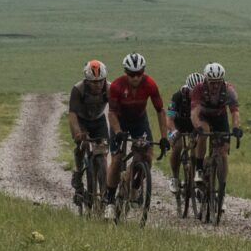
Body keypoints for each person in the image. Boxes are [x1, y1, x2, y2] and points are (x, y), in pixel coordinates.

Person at [103, 52, 168, 205]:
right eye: (132, 74)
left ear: (143, 72)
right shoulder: (117, 86)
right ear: (126, 73)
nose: (135, 78)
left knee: (147, 155)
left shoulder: (150, 84)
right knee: (117, 159)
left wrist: (164, 137)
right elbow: (111, 113)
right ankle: (110, 196)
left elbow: (160, 111)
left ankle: (134, 184)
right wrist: (118, 132)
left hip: (139, 120)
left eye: (139, 74)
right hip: (120, 120)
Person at [190, 62, 243, 199]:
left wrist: (236, 128)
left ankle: (222, 189)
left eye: (218, 83)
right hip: (204, 117)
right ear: (206, 80)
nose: (215, 86)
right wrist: (197, 126)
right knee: (204, 133)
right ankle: (200, 169)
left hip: (220, 118)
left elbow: (235, 112)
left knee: (223, 152)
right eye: (212, 82)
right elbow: (194, 112)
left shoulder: (229, 90)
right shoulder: (198, 89)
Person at [67, 59, 111, 201]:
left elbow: (116, 110)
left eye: (100, 81)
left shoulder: (109, 88)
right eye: (94, 82)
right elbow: (72, 114)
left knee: (103, 151)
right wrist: (77, 132)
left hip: (99, 120)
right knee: (82, 144)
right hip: (81, 120)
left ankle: (104, 192)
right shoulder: (78, 89)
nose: (98, 85)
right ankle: (78, 173)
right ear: (87, 81)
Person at [166, 72, 201, 191]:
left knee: (196, 149)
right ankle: (174, 177)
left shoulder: (202, 97)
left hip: (193, 125)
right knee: (178, 146)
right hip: (177, 125)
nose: (196, 95)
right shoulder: (178, 96)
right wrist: (174, 131)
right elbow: (169, 119)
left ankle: (194, 176)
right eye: (194, 92)